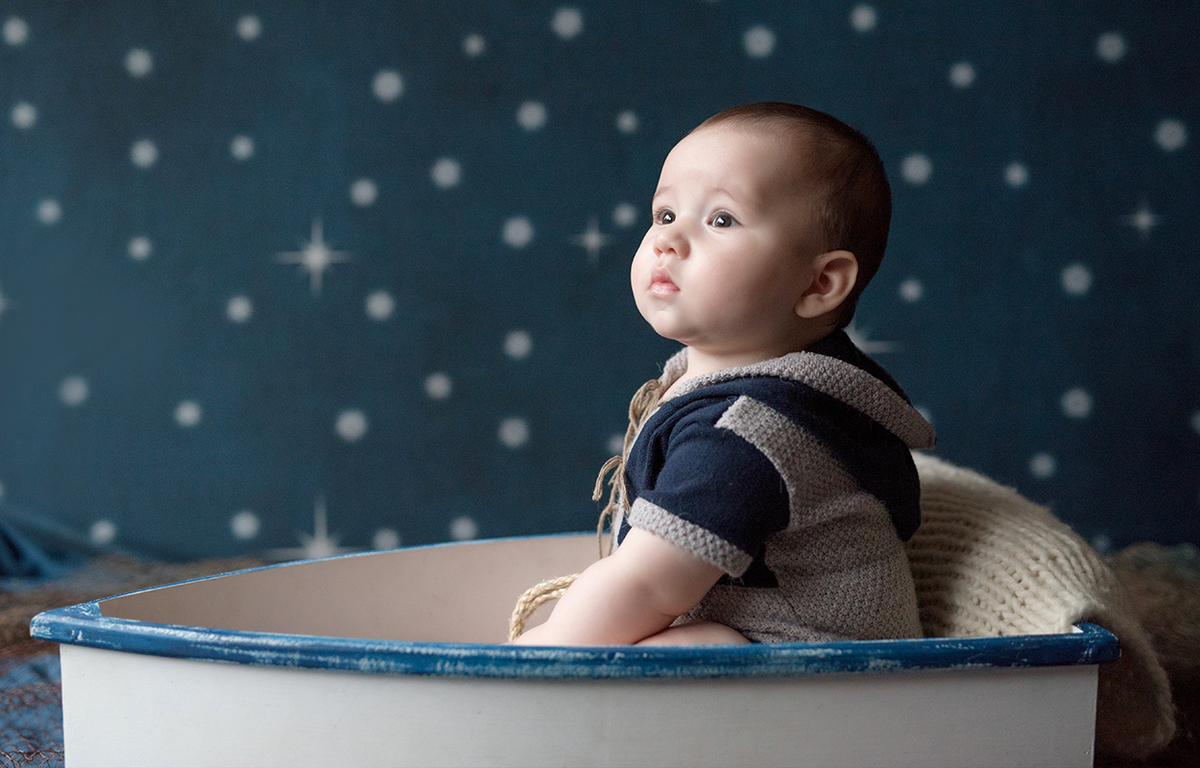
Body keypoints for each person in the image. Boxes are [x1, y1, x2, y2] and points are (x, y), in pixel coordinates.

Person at [514, 102, 936, 646]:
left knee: (684, 645)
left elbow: (645, 586)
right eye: (665, 215)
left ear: (818, 284)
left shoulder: (751, 432)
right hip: (784, 649)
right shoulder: (745, 389)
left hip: (822, 667)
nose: (668, 239)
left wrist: (524, 662)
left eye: (721, 220)